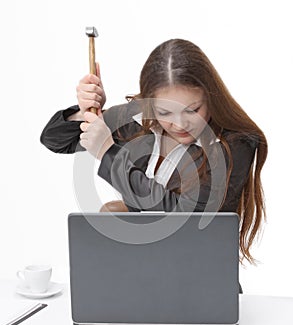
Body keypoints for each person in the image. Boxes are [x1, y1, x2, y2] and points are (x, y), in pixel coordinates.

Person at [40, 38, 268, 265]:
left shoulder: (236, 144)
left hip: (201, 276)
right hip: (139, 272)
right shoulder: (140, 121)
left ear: (211, 96)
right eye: (165, 112)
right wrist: (85, 112)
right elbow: (55, 139)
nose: (179, 124)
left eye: (192, 110)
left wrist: (108, 153)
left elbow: (184, 217)